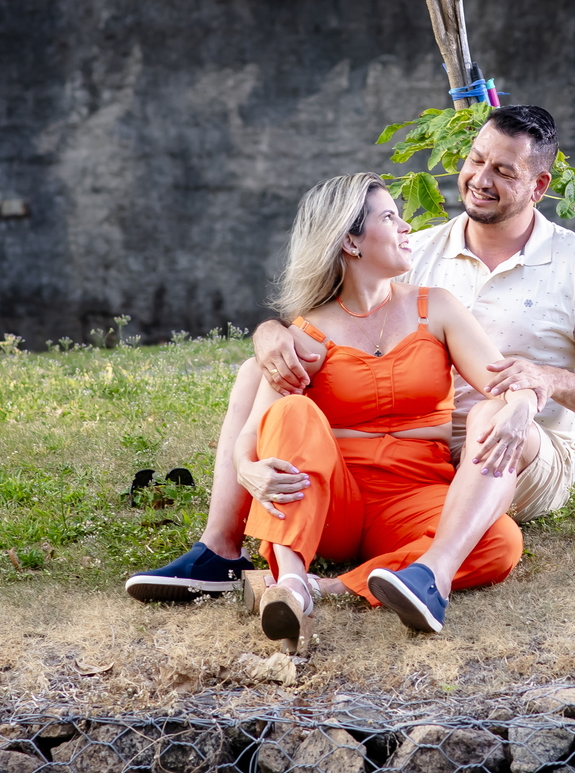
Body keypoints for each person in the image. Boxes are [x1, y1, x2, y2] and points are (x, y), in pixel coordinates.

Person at [127, 105, 575, 633]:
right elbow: (336, 297)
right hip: (390, 462)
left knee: (496, 465)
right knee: (262, 377)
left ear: (539, 186)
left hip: (508, 447)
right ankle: (221, 550)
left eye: (504, 171)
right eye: (475, 160)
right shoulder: (416, 252)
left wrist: (534, 391)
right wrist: (271, 334)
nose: (480, 179)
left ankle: (371, 580)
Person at [128, 172, 536, 649]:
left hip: (414, 495)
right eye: (390, 217)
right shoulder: (305, 334)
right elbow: (260, 426)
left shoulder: (436, 309)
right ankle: (292, 578)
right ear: (350, 240)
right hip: (332, 505)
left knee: (500, 541)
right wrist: (246, 468)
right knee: (291, 413)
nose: (406, 228)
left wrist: (523, 401)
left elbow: (505, 381)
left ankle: (329, 588)